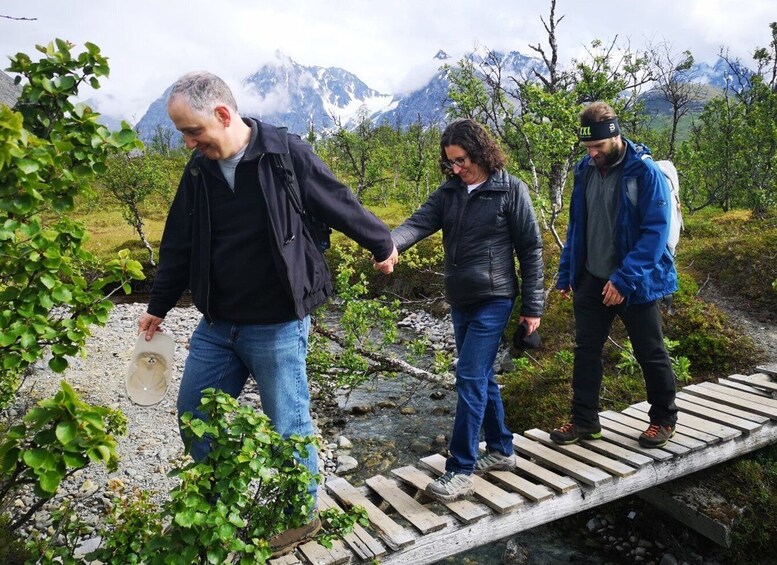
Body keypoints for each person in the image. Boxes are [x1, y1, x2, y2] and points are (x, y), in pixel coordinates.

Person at [137, 71, 398, 554]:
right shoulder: (198, 172)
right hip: (217, 324)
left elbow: (336, 198)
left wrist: (381, 242)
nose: (189, 144)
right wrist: (158, 307)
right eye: (182, 135)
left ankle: (301, 515)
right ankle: (216, 506)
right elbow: (178, 241)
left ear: (222, 114)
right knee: (196, 412)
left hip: (278, 321)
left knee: (289, 421)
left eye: (192, 132)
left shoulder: (284, 153)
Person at [389, 118, 544, 503]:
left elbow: (531, 251)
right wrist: (388, 247)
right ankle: (502, 449)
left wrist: (533, 308)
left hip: (495, 298)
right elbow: (416, 225)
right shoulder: (449, 193)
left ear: (479, 152)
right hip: (460, 299)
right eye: (450, 163)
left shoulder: (510, 190)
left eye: (461, 161)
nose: (456, 169)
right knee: (482, 377)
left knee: (470, 376)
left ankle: (459, 469)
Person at [551, 101, 679, 449]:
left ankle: (664, 419)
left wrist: (623, 281)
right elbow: (577, 225)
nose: (592, 153)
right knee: (586, 350)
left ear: (615, 136)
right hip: (592, 277)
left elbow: (655, 232)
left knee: (650, 350)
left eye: (598, 147)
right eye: (587, 147)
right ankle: (585, 422)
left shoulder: (644, 173)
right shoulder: (585, 170)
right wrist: (566, 273)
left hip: (635, 282)